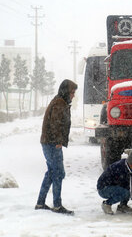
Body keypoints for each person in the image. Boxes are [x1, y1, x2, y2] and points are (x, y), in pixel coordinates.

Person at [35, 79, 78, 215]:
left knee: (52, 173)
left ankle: (40, 203)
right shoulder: (60, 103)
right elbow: (56, 123)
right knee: (58, 173)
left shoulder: (60, 101)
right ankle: (57, 205)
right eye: (72, 92)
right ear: (66, 91)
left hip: (49, 142)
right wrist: (58, 141)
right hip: (52, 143)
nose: (73, 95)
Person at [97, 151, 132, 215]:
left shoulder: (128, 167)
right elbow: (128, 189)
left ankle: (123, 206)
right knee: (125, 192)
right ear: (131, 163)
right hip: (104, 188)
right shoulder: (120, 169)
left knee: (127, 190)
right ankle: (107, 204)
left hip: (115, 186)